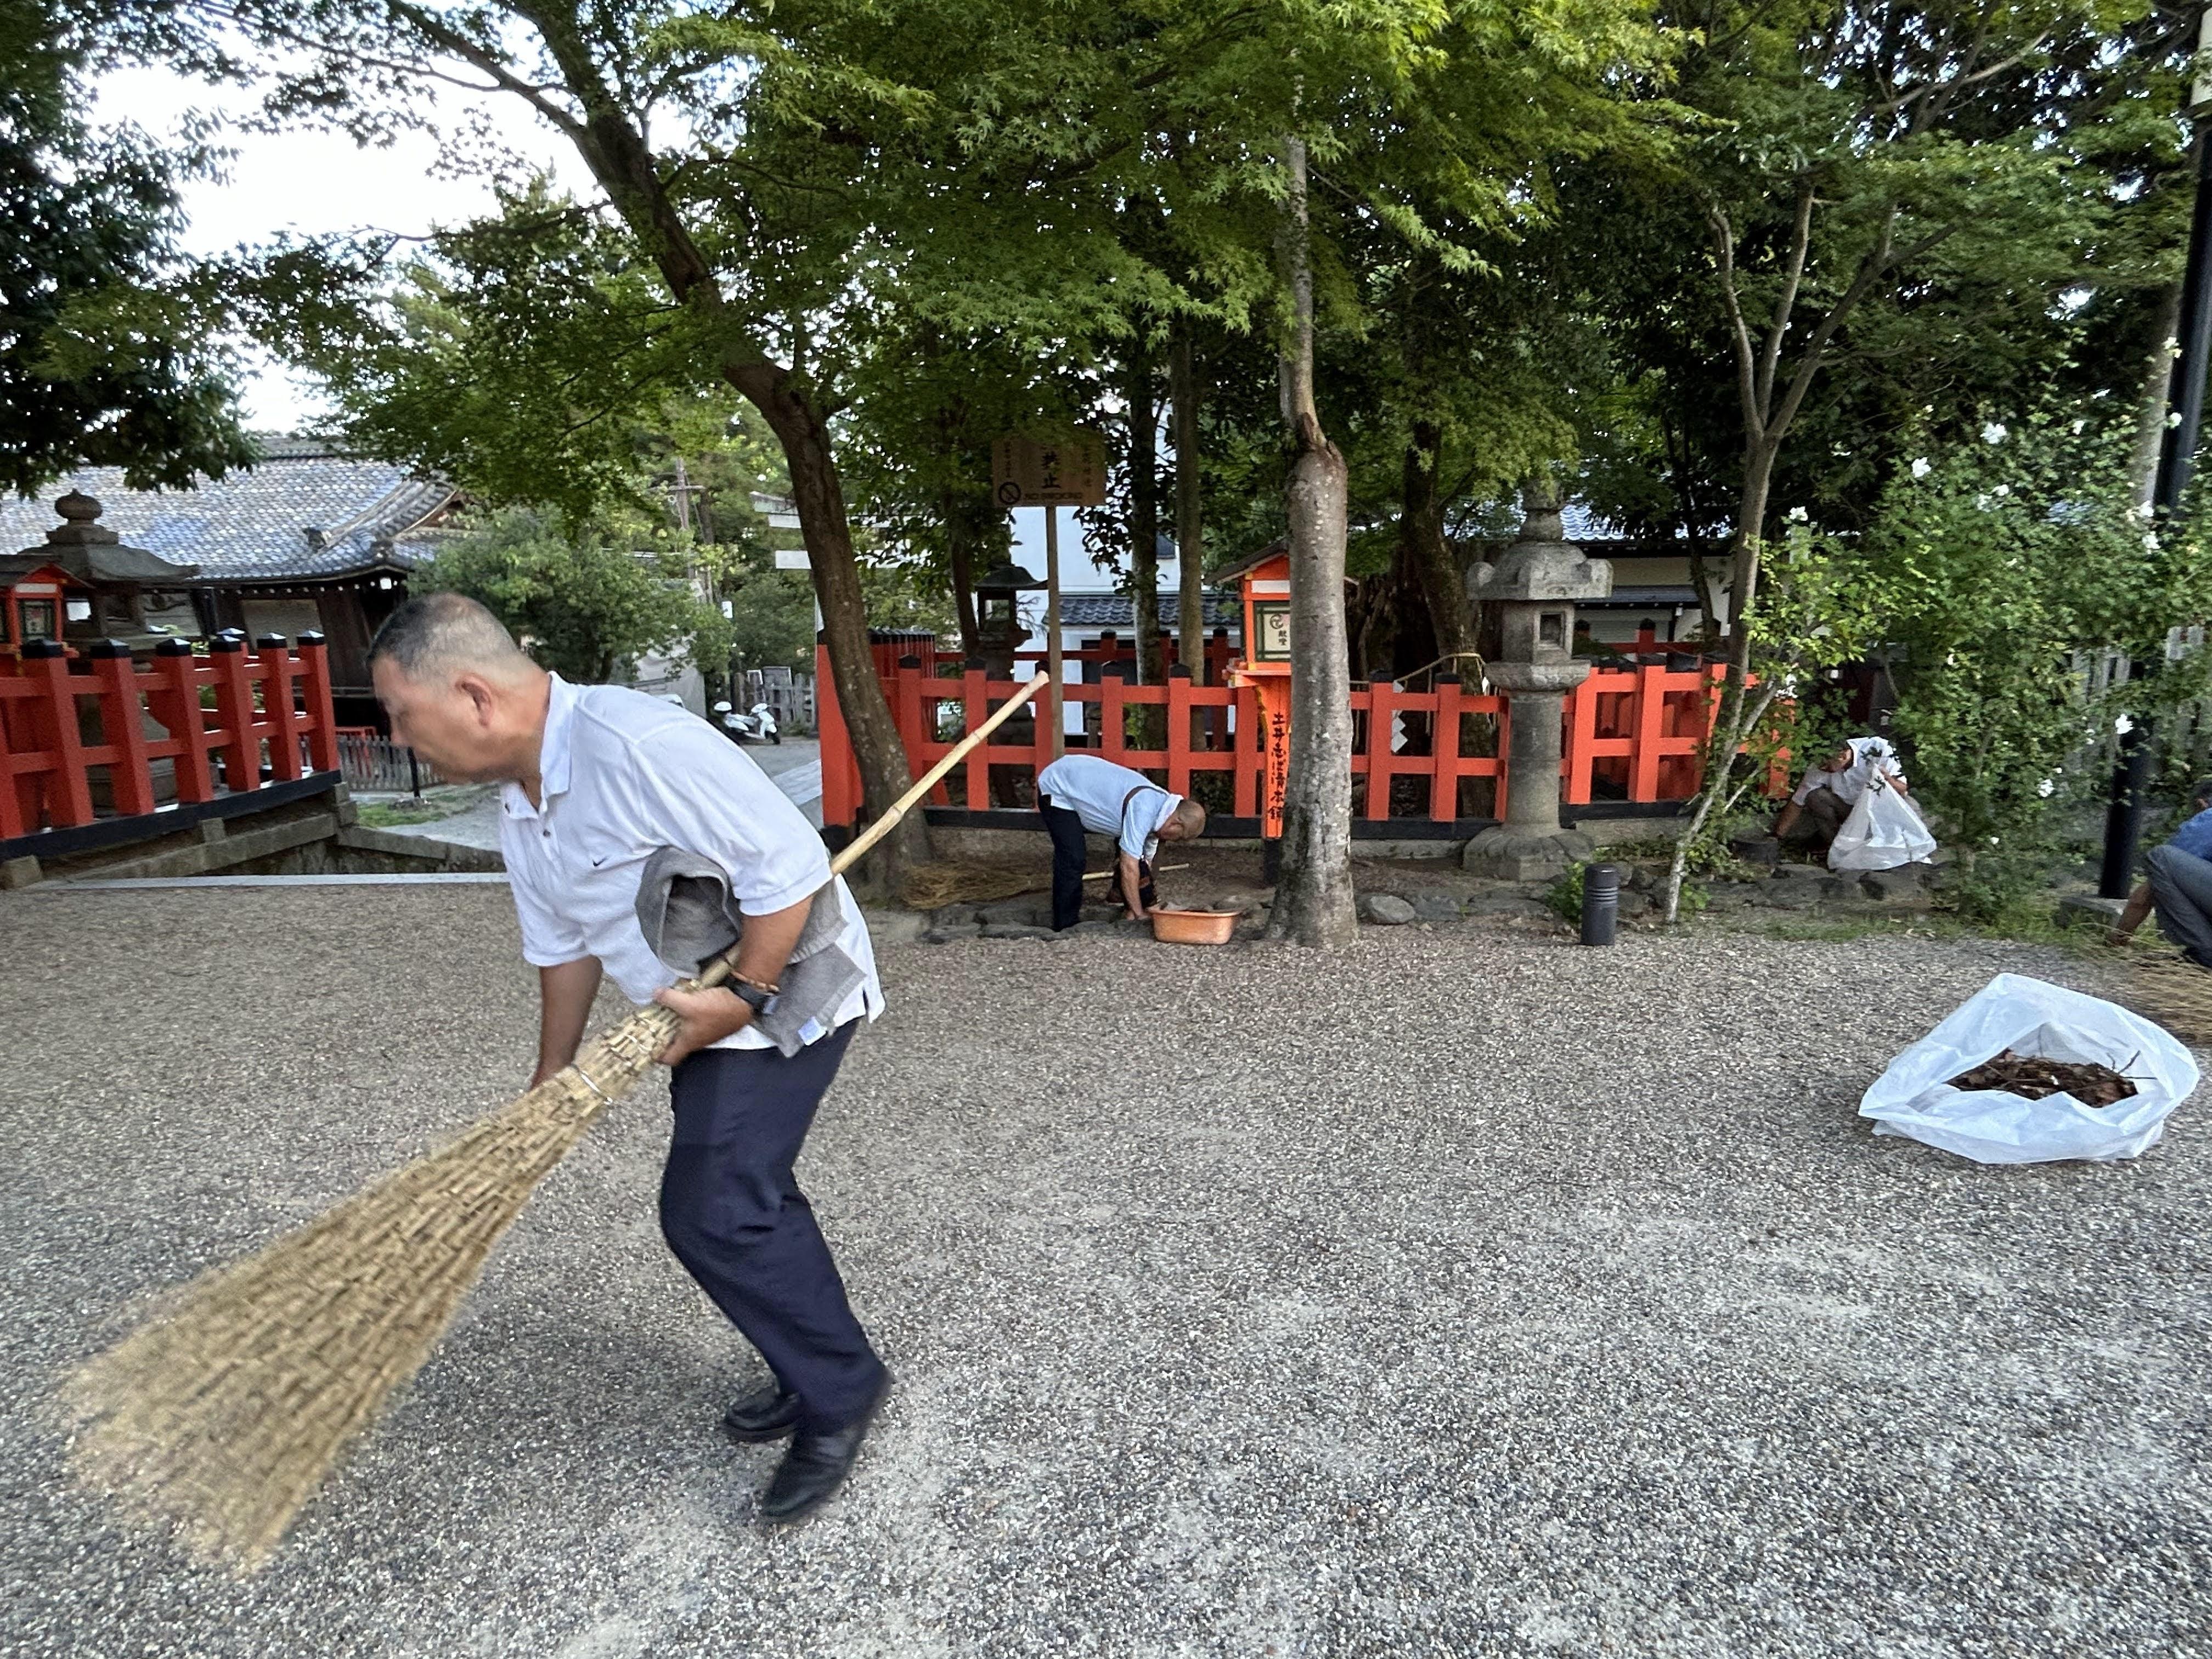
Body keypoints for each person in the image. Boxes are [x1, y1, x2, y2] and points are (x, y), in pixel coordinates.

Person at [368, 594, 889, 1525]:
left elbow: (791, 872)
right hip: (690, 1007)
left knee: (714, 1205)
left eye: (403, 715)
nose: (401, 739)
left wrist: (742, 997)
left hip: (786, 983)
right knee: (749, 1190)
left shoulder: (638, 744)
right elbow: (562, 944)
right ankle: (808, 1351)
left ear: (474, 695)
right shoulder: (519, 803)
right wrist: (551, 1081)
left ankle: (841, 1389)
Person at [1035, 752, 1207, 930]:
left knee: (1132, 853)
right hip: (1058, 785)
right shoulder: (1145, 808)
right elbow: (1129, 865)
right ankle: (1065, 923)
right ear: (1175, 824)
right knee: (1073, 857)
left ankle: (1118, 895)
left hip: (1082, 779)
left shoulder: (1163, 809)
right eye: (1179, 837)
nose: (1175, 841)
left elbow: (1144, 863)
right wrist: (1138, 913)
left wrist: (1148, 898)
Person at [2106, 778, 2212, 965]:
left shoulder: (2208, 818)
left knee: (2161, 858)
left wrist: (2116, 940)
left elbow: (2143, 897)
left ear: (2201, 804)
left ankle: (2205, 954)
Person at [1774, 736, 1915, 850]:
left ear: (1842, 756)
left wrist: (1887, 779)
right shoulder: (1819, 766)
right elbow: (1798, 801)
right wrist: (1777, 836)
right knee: (1815, 797)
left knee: (1910, 806)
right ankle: (1836, 848)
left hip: (1878, 811)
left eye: (1826, 765)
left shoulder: (1878, 749)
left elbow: (1902, 790)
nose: (1822, 768)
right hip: (1847, 809)